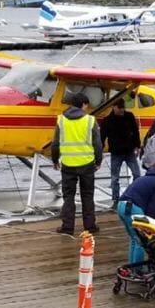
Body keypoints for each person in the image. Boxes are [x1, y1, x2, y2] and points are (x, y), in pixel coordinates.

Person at [51, 92, 103, 235]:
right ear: (83, 105)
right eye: (87, 106)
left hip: (67, 164)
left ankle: (67, 227)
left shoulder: (61, 120)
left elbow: (55, 143)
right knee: (87, 195)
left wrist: (55, 160)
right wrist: (99, 160)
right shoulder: (90, 120)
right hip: (87, 163)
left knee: (68, 197)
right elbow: (97, 144)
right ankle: (90, 226)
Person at [118, 160, 155, 266]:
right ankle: (138, 269)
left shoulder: (147, 177)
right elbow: (153, 207)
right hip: (134, 208)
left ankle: (132, 267)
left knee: (134, 239)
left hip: (122, 205)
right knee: (141, 241)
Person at [100, 98, 141, 207]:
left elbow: (135, 131)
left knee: (137, 174)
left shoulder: (129, 116)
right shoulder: (107, 120)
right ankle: (115, 200)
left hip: (129, 151)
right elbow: (102, 136)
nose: (122, 110)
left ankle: (135, 197)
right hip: (116, 152)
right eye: (120, 108)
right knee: (115, 178)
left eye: (123, 108)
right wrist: (100, 150)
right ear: (114, 107)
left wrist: (138, 145)